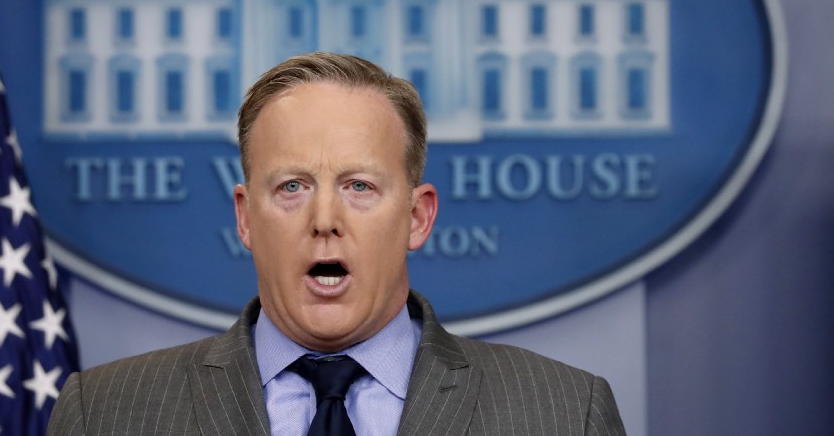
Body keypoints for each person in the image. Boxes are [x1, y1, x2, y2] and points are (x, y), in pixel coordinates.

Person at [48, 52, 627, 435]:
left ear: (417, 217)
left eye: (359, 186)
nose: (325, 218)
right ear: (246, 219)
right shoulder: (105, 414)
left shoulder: (562, 414)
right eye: (293, 186)